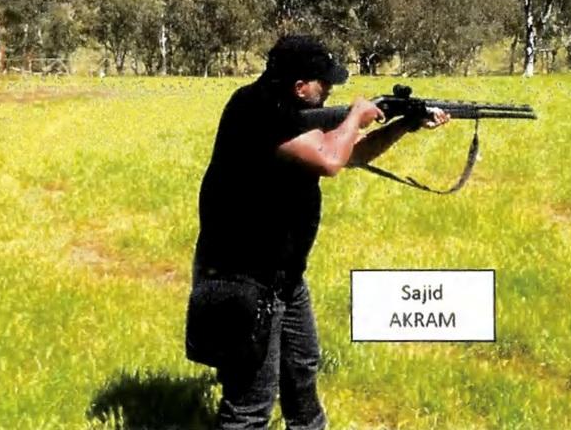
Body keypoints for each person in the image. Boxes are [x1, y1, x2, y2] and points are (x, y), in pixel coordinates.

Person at [185, 34, 448, 429]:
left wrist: (403, 126)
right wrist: (355, 117)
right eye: (323, 83)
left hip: (284, 276)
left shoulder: (291, 110)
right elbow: (330, 161)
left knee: (302, 372)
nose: (329, 91)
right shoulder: (258, 111)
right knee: (250, 405)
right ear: (299, 86)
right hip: (244, 279)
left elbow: (352, 152)